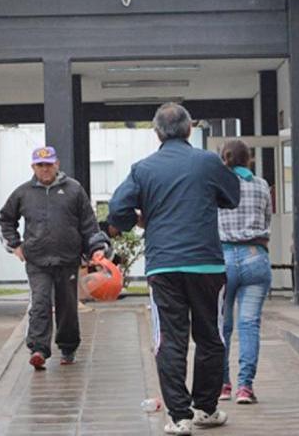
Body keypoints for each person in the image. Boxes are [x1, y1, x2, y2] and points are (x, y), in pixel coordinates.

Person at [108, 103, 239, 436]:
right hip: (207, 264)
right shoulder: (208, 163)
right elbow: (232, 196)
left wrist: (138, 219)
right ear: (189, 129)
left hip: (164, 266)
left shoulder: (143, 169)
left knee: (169, 339)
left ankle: (180, 416)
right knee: (210, 337)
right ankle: (206, 409)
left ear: (156, 132)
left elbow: (117, 210)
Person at [0, 146, 108, 369]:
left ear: (57, 164)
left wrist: (96, 247)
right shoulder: (23, 193)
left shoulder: (74, 190)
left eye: (48, 164)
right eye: (40, 165)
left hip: (67, 260)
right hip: (37, 261)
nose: (45, 169)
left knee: (67, 307)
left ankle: (68, 348)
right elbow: (5, 220)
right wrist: (15, 245)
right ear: (33, 167)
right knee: (40, 303)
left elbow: (89, 224)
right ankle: (38, 349)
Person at [216, 139, 272, 406]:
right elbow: (267, 219)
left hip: (223, 259)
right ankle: (245, 388)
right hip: (255, 256)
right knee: (249, 325)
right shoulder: (261, 185)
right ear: (249, 159)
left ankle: (223, 385)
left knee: (222, 326)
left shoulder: (216, 186)